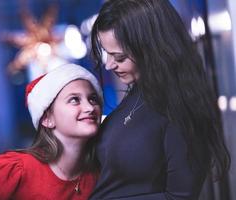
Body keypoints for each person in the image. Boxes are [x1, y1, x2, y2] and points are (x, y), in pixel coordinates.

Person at [89, 0, 230, 199]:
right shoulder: (139, 93)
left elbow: (180, 197)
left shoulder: (179, 106)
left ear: (150, 49)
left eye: (119, 57)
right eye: (107, 54)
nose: (109, 65)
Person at [0, 63, 103, 200]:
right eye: (74, 99)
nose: (90, 108)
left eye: (93, 99)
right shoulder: (15, 170)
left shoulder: (97, 174)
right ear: (47, 119)